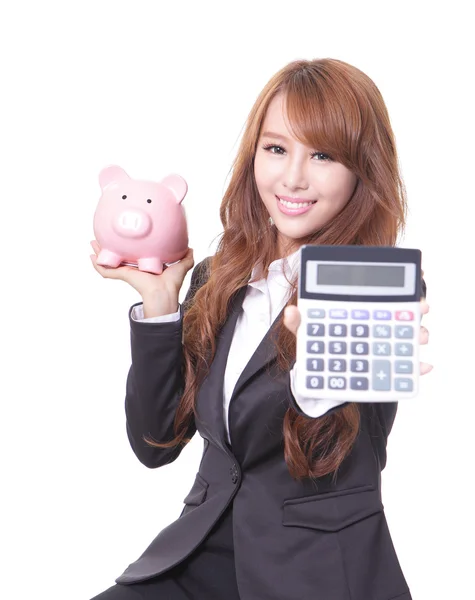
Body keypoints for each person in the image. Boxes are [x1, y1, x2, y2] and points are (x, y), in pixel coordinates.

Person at [89, 58, 432, 600]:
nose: (292, 177)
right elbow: (156, 445)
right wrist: (161, 303)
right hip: (199, 560)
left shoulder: (370, 288)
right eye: (276, 149)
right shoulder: (219, 276)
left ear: (361, 169)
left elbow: (349, 449)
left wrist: (317, 384)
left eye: (322, 154)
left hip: (311, 575)